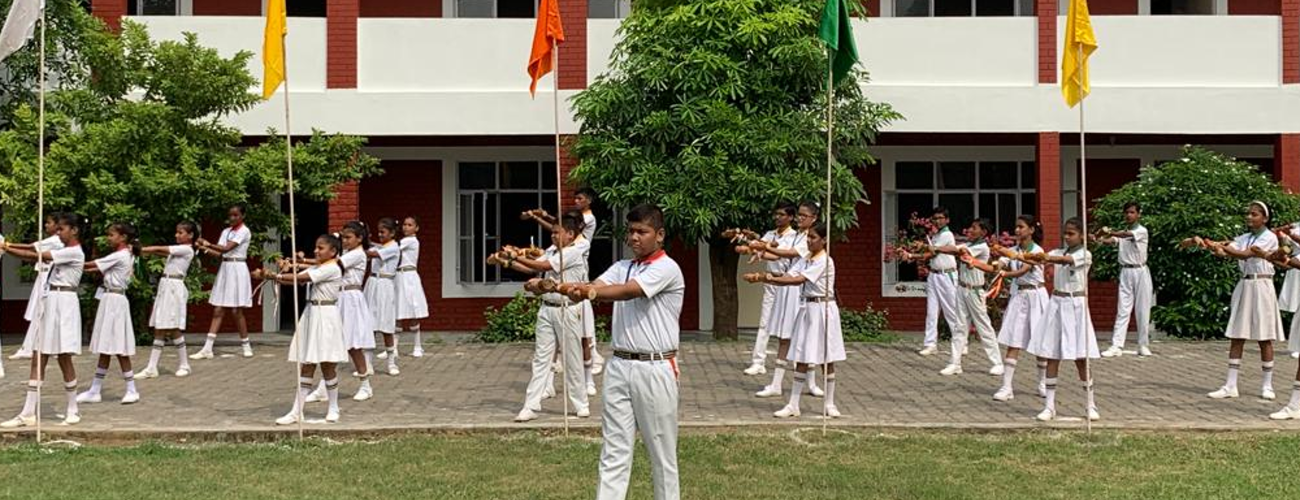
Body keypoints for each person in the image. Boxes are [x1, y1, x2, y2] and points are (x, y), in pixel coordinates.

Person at [559, 204, 685, 500]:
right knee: (614, 448)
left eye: (642, 231)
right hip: (620, 364)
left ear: (660, 235)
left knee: (661, 452)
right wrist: (561, 287)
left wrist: (587, 292)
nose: (635, 237)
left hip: (654, 366)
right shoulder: (622, 266)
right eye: (630, 231)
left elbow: (628, 291)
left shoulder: (667, 268)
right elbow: (595, 286)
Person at [499, 211, 591, 422]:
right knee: (541, 357)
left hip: (567, 308)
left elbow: (543, 267)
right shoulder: (551, 251)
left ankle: (580, 403)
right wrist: (506, 261)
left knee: (572, 357)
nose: (553, 236)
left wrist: (516, 255)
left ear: (569, 234)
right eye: (552, 232)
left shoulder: (573, 252)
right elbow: (531, 266)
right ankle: (531, 405)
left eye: (557, 233)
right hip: (547, 307)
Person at [747, 223, 845, 418]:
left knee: (826, 358)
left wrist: (763, 277)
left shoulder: (825, 261)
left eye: (813, 238)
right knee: (801, 355)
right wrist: (764, 276)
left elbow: (797, 280)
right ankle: (793, 404)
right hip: (807, 308)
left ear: (824, 240)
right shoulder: (806, 258)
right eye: (808, 237)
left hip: (823, 309)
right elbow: (787, 275)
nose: (809, 241)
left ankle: (829, 403)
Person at [0, 213, 88, 427]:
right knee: (39, 355)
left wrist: (6, 248)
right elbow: (36, 251)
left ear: (74, 230)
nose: (58, 233)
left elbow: (37, 256)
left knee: (63, 356)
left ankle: (72, 408)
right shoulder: (63, 249)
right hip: (51, 300)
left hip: (65, 303)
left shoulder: (74, 252)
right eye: (57, 230)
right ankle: (28, 411)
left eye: (62, 229)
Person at [1196, 201, 1284, 401]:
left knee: (1264, 337)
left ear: (1265, 218)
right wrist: (1215, 247)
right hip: (1244, 285)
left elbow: (1244, 255)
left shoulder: (1269, 237)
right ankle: (1231, 385)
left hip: (1262, 286)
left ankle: (1267, 385)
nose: (1249, 217)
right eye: (1249, 214)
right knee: (1237, 334)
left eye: (1254, 214)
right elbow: (1230, 250)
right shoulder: (1244, 237)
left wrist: (1222, 248)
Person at [258, 234, 350, 425]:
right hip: (312, 314)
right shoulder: (320, 267)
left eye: (321, 248)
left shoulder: (332, 268)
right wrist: (279, 272)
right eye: (316, 247)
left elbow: (301, 277)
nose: (316, 251)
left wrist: (274, 275)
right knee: (307, 363)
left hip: (326, 315)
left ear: (333, 251)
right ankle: (296, 411)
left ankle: (333, 407)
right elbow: (297, 278)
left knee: (327, 364)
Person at [1026, 218, 1101, 421]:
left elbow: (1064, 262)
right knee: (1052, 353)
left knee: (1081, 357)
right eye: (1065, 233)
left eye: (1071, 234)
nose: (1067, 237)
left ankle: (1090, 404)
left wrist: (1045, 258)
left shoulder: (1085, 254)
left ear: (1081, 235)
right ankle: (1049, 406)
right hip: (1057, 303)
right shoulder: (1057, 252)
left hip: (1076, 305)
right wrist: (1016, 256)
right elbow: (1039, 258)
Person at [751, 201, 823, 399]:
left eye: (804, 216)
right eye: (799, 215)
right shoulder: (797, 235)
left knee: (805, 337)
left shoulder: (812, 238)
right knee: (784, 336)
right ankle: (776, 383)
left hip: (800, 287)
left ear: (814, 218)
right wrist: (757, 251)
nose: (800, 219)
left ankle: (811, 381)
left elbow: (791, 253)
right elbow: (780, 257)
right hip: (788, 283)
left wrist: (764, 246)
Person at [306, 222, 377, 403]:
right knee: (333, 343)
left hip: (352, 299)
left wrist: (302, 262)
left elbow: (331, 264)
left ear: (359, 238)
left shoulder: (357, 254)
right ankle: (324, 387)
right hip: (340, 298)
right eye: (343, 237)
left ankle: (365, 385)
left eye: (348, 237)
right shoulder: (347, 253)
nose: (344, 241)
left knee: (353, 345)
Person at [77, 222, 143, 405]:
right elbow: (94, 268)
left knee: (119, 347)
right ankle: (95, 389)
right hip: (110, 300)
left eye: (112, 235)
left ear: (122, 237)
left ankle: (132, 389)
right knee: (106, 346)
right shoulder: (123, 255)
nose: (108, 238)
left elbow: (91, 265)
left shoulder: (120, 255)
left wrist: (70, 262)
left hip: (115, 302)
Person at [933, 218, 1004, 376]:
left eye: (974, 228)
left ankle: (997, 362)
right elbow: (956, 248)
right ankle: (955, 362)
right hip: (962, 288)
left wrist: (936, 248)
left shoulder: (981, 247)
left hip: (975, 291)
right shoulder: (970, 244)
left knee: (983, 326)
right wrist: (935, 247)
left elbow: (957, 251)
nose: (970, 230)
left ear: (983, 232)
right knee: (959, 326)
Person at [992, 215, 1050, 402]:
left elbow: (1022, 270)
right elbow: (1000, 264)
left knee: (1040, 343)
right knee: (1013, 340)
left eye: (1021, 227)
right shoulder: (1012, 250)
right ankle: (1006, 387)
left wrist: (1005, 273)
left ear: (1031, 230)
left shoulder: (1037, 251)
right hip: (1019, 297)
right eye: (1016, 227)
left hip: (1037, 296)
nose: (1017, 231)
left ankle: (1042, 383)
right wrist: (993, 264)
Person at [741, 203, 797, 377]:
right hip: (771, 281)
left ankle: (797, 360)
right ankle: (758, 362)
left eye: (782, 214)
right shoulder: (770, 234)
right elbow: (759, 247)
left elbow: (778, 254)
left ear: (791, 217)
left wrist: (762, 249)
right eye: (776, 214)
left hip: (788, 282)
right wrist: (748, 244)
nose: (778, 217)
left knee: (793, 323)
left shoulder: (795, 237)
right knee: (764, 322)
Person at [192, 204, 255, 359]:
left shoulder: (244, 231)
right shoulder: (225, 232)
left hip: (238, 268)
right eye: (230, 215)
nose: (232, 218)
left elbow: (227, 248)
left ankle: (246, 345)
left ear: (242, 216)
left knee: (236, 310)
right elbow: (219, 252)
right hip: (225, 268)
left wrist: (207, 243)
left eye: (235, 215)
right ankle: (208, 348)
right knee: (218, 309)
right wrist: (203, 247)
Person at [139, 221, 198, 379]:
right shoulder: (178, 250)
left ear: (190, 235)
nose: (176, 235)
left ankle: (184, 364)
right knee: (160, 325)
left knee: (172, 325)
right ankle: (152, 367)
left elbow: (159, 249)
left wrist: (141, 249)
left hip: (174, 287)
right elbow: (159, 253)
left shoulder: (186, 249)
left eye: (181, 233)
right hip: (165, 285)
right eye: (176, 232)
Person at [1098, 202, 1154, 358]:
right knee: (1123, 309)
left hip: (1140, 270)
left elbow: (1124, 236)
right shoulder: (1123, 232)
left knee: (1142, 309)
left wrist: (1111, 232)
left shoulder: (1142, 231)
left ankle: (1143, 344)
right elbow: (1114, 241)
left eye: (1132, 212)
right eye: (1127, 212)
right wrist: (1099, 239)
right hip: (1126, 271)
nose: (1129, 215)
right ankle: (1117, 345)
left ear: (1138, 214)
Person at [10, 212, 64, 360]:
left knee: (39, 311)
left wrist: (7, 245)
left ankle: (29, 347)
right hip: (44, 276)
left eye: (49, 223)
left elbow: (30, 247)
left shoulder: (55, 240)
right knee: (40, 311)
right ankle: (35, 345)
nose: (46, 225)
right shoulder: (54, 240)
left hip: (47, 278)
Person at [366, 218, 402, 375]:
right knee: (369, 325)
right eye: (378, 231)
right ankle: (367, 364)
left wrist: (357, 248)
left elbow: (373, 253)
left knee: (386, 325)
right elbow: (373, 246)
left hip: (385, 284)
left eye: (383, 232)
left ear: (392, 233)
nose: (380, 234)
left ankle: (391, 363)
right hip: (373, 283)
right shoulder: (382, 245)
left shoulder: (393, 247)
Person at [396, 216, 430, 357]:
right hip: (399, 276)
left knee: (413, 308)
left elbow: (393, 248)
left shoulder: (410, 241)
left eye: (410, 225)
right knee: (398, 309)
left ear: (416, 228)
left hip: (409, 276)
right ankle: (393, 347)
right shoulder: (403, 241)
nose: (406, 227)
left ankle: (417, 346)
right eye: (404, 224)